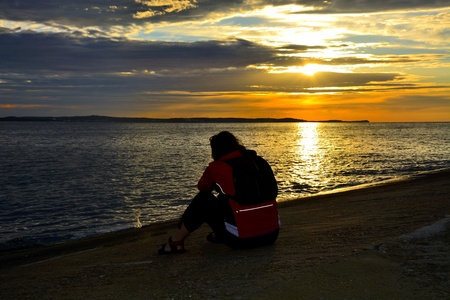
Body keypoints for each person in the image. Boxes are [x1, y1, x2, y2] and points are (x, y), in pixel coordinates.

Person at [158, 131, 280, 254]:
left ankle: (175, 242)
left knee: (204, 199)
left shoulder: (218, 167)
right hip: (271, 235)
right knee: (230, 197)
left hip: (242, 240)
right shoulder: (260, 162)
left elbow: (202, 188)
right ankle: (220, 233)